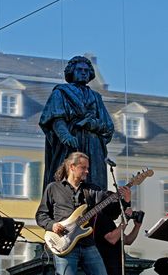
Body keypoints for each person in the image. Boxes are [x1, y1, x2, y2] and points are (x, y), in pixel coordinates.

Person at [35, 152, 130, 275]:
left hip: (88, 245)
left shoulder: (91, 190)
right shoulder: (53, 188)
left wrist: (124, 201)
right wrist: (52, 225)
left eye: (87, 168)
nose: (87, 171)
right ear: (72, 167)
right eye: (83, 168)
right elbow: (41, 215)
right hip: (63, 245)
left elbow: (112, 211)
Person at [39, 56, 114, 191]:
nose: (84, 72)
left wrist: (92, 124)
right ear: (71, 72)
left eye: (86, 70)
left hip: (93, 146)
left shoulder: (96, 97)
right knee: (65, 183)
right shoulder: (60, 92)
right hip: (70, 144)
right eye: (79, 69)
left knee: (94, 185)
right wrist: (66, 136)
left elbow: (108, 126)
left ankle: (95, 208)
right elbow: (56, 118)